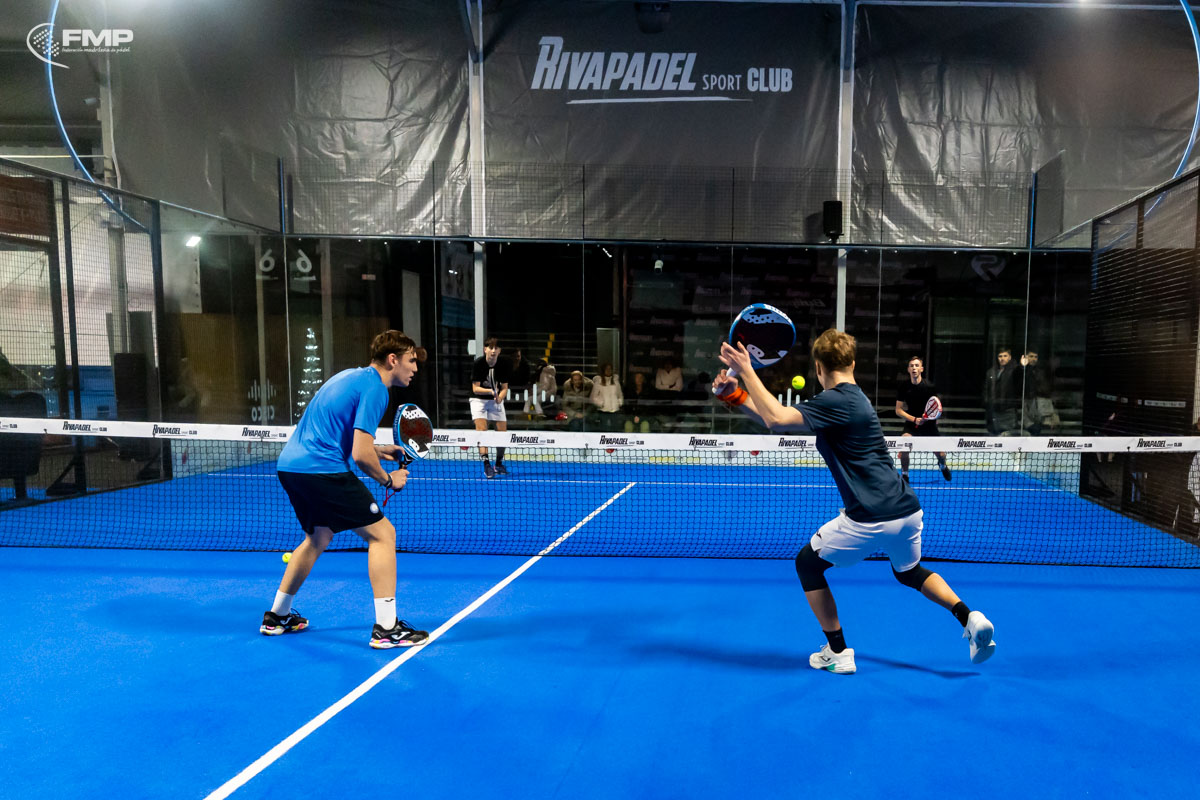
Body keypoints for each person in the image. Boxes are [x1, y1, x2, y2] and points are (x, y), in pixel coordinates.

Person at [714, 329, 996, 674]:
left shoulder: (835, 401)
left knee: (807, 565)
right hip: (908, 510)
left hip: (870, 516)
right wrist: (736, 396)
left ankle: (838, 652)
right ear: (852, 363)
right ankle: (969, 617)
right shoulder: (851, 399)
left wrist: (746, 369)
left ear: (818, 368)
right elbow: (774, 418)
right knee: (910, 572)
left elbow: (776, 419)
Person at [263, 329, 430, 649]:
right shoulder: (377, 389)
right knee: (383, 535)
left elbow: (340, 434)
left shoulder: (351, 377)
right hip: (322, 470)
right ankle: (387, 629)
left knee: (318, 537)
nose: (415, 368)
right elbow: (359, 455)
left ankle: (277, 616)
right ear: (392, 360)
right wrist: (388, 479)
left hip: (291, 467)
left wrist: (379, 449)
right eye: (411, 361)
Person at [894, 356, 951, 483]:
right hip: (911, 423)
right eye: (911, 366)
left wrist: (930, 419)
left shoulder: (929, 387)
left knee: (941, 454)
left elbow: (936, 407)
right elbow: (898, 410)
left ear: (921, 369)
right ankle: (905, 475)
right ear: (908, 369)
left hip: (929, 425)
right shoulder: (904, 387)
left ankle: (942, 465)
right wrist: (914, 419)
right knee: (904, 447)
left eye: (916, 365)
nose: (914, 368)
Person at [471, 336, 510, 478]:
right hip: (478, 400)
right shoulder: (478, 364)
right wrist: (490, 391)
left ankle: (498, 464)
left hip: (495, 401)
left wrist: (500, 397)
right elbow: (475, 388)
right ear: (485, 349)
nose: (493, 351)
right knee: (482, 431)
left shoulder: (503, 364)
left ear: (499, 351)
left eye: (496, 348)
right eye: (490, 348)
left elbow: (504, 387)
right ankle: (487, 465)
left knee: (502, 433)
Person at [984, 348, 1021, 435]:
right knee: (994, 434)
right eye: (1000, 356)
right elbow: (986, 389)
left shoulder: (1014, 370)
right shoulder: (991, 372)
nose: (1002, 358)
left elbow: (1020, 376)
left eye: (1005, 356)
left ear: (1010, 357)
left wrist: (1022, 367)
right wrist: (987, 402)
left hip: (1008, 409)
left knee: (1007, 435)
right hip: (994, 408)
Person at [591, 363, 624, 431]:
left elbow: (620, 394)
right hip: (603, 411)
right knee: (605, 429)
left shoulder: (615, 381)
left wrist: (619, 403)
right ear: (603, 370)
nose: (608, 370)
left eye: (610, 369)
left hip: (615, 410)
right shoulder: (598, 381)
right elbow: (593, 397)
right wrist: (601, 403)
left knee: (615, 429)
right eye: (607, 369)